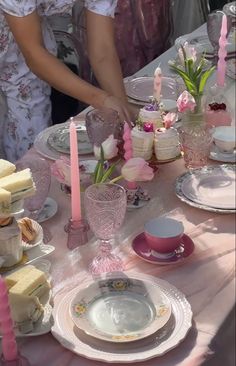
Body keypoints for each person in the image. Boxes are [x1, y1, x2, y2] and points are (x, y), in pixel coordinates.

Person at [0, 0, 131, 162]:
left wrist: (123, 116)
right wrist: (101, 99)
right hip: (27, 40)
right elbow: (33, 54)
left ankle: (24, 182)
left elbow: (102, 50)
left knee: (31, 131)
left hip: (26, 32)